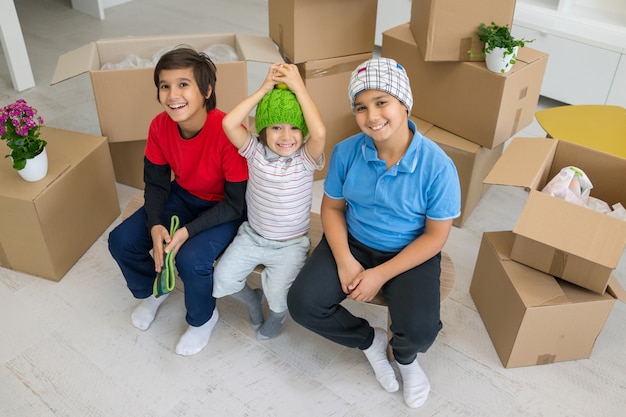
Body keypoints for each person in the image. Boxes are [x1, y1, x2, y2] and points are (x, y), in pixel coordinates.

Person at [287, 57, 461, 408]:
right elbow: (333, 208)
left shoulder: (438, 166)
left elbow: (435, 237)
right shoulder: (347, 152)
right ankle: (368, 341)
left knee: (421, 330)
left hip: (409, 251)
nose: (372, 116)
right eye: (361, 107)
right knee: (302, 304)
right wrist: (346, 261)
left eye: (382, 102)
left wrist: (379, 275)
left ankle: (407, 360)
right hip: (354, 240)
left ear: (404, 104)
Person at [108, 46, 248, 356]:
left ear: (206, 90)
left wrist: (187, 232)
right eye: (165, 85)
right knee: (121, 240)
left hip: (224, 206)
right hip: (183, 195)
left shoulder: (229, 131)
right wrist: (156, 224)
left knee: (190, 260)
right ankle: (154, 290)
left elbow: (236, 204)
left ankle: (203, 318)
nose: (173, 95)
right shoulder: (160, 126)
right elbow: (156, 183)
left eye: (183, 84)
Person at [213, 63, 325, 340]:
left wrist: (299, 87)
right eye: (276, 127)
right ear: (263, 131)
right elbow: (228, 123)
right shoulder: (255, 151)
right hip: (253, 236)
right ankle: (252, 299)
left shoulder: (305, 160)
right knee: (222, 280)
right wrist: (263, 89)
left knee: (279, 297)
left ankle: (276, 315)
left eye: (294, 129)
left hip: (291, 244)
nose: (286, 137)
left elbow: (319, 133)